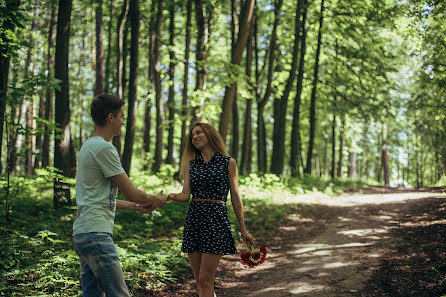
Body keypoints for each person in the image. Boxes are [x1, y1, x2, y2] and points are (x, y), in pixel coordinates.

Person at [72, 94, 167, 297]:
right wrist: (155, 199)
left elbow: (102, 198)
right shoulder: (104, 148)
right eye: (121, 116)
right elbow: (131, 192)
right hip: (96, 235)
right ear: (110, 118)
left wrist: (136, 207)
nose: (123, 121)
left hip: (83, 233)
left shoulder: (88, 146)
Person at [167, 122, 254, 297]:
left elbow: (236, 198)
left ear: (210, 134)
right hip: (195, 221)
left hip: (216, 221)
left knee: (206, 278)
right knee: (200, 281)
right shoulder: (190, 166)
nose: (195, 137)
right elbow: (185, 196)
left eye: (199, 132)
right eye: (192, 135)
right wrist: (168, 196)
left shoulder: (228, 163)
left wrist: (243, 229)